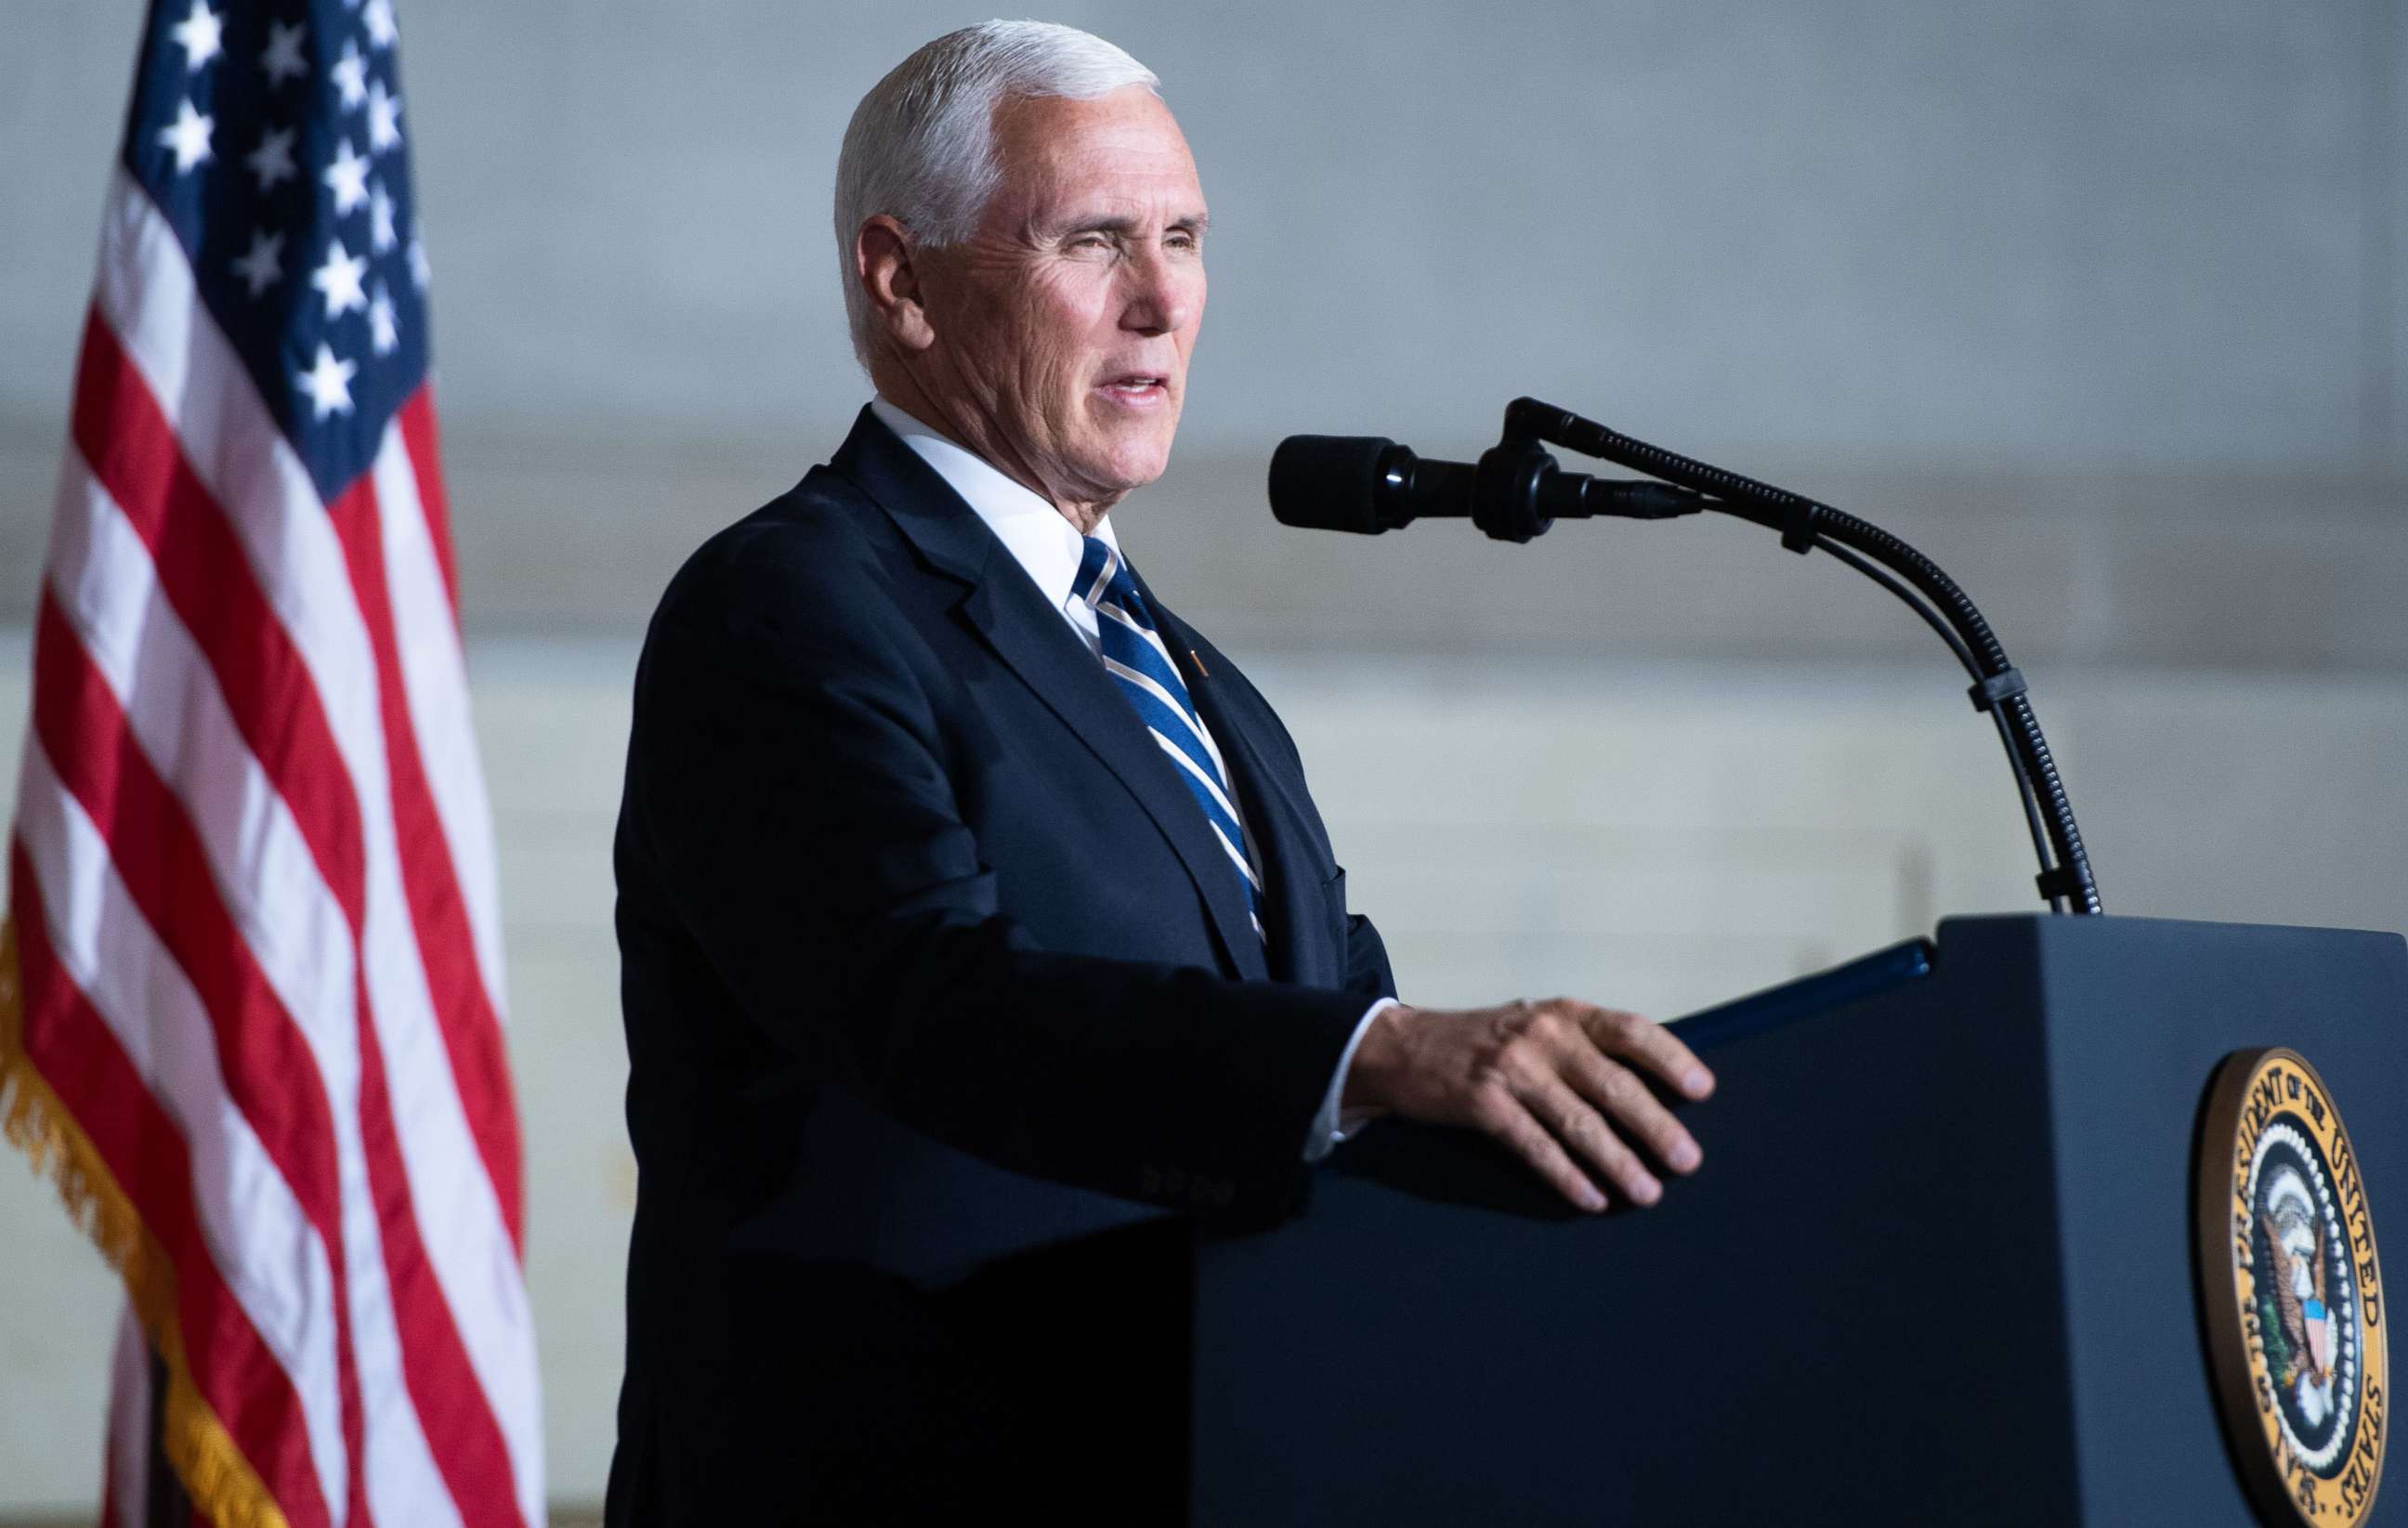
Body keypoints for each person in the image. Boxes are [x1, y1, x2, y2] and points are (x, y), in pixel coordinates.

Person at [603, 20, 1717, 1521]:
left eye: (1184, 237)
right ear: (899, 276)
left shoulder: (1206, 690)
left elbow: (1346, 1070)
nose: (1162, 300)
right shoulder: (787, 609)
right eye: (1095, 239)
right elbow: (931, 1002)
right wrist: (1373, 1056)